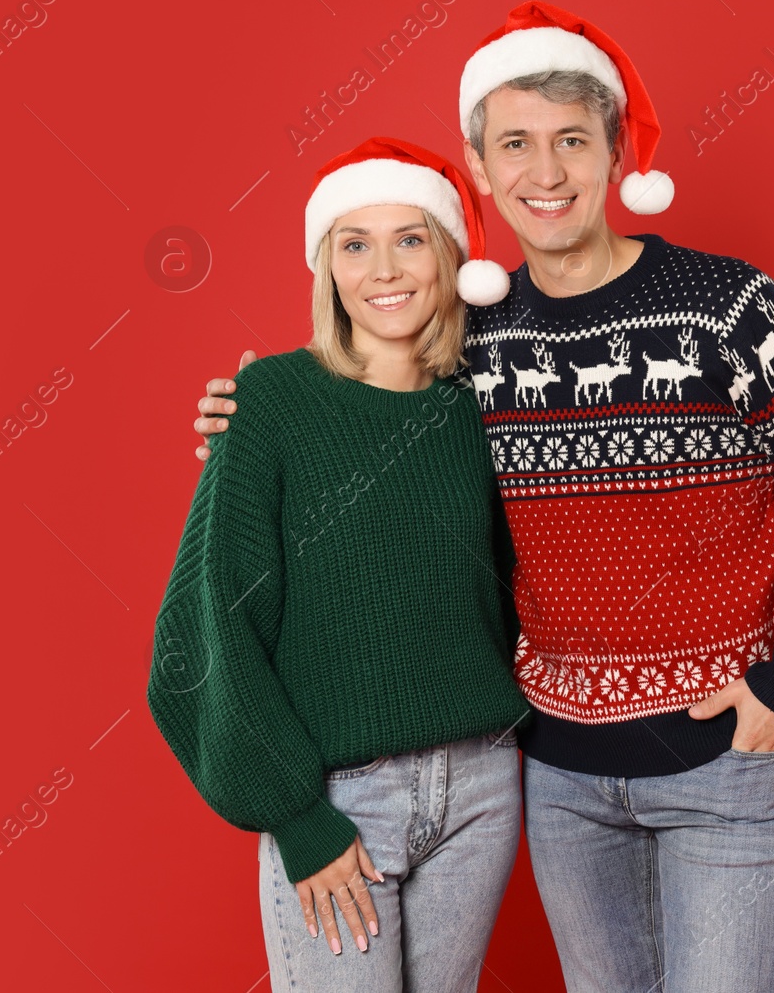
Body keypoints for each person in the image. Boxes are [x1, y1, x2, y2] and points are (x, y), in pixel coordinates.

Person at [193, 2, 774, 992]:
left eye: (572, 140)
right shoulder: (472, 346)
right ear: (479, 169)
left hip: (723, 765)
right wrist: (252, 409)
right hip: (560, 774)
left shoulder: (732, 304)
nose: (547, 171)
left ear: (615, 154)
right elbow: (371, 420)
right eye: (515, 143)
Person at [149, 137, 530, 992]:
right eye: (354, 243)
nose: (383, 268)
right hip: (338, 797)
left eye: (411, 238)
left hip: (480, 791)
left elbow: (524, 584)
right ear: (326, 266)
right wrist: (296, 817)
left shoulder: (486, 409)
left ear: (452, 257)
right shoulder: (271, 403)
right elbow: (208, 629)